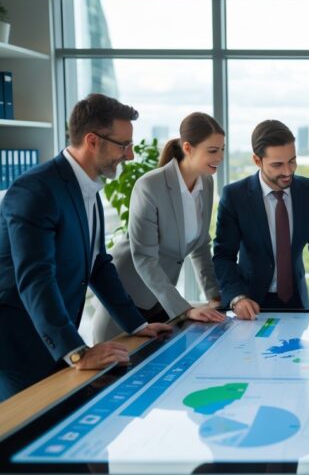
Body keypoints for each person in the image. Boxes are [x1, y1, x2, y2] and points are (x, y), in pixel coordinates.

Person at [0, 93, 172, 401]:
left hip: (54, 338)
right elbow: (36, 278)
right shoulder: (36, 190)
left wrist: (137, 324)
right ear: (92, 141)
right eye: (123, 145)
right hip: (18, 346)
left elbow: (98, 265)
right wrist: (76, 351)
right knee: (35, 427)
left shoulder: (88, 187)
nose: (130, 155)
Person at [91, 112, 227, 343]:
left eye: (222, 149)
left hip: (162, 298)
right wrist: (185, 309)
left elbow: (201, 245)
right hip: (127, 297)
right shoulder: (149, 186)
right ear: (188, 148)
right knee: (116, 364)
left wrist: (215, 296)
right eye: (213, 150)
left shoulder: (206, 181)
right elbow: (145, 259)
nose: (220, 157)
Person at [213, 120, 309, 317]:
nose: (288, 171)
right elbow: (223, 256)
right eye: (277, 165)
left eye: (292, 161)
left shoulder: (308, 190)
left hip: (297, 303)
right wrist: (236, 298)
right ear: (257, 160)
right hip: (250, 304)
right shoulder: (235, 196)